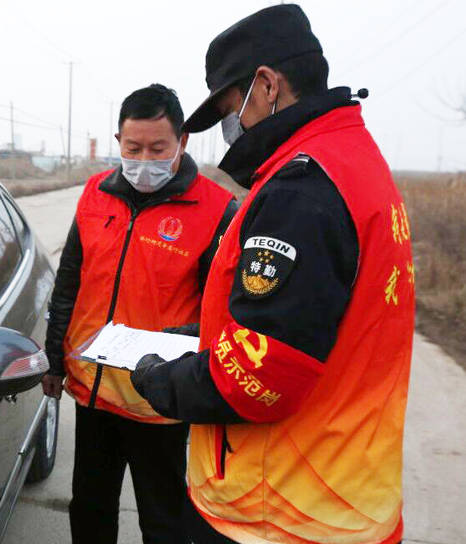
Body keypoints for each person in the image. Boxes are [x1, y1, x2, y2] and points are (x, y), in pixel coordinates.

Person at [130, 5, 414, 544]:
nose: (232, 130)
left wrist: (161, 382)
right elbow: (312, 317)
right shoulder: (351, 159)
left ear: (266, 85)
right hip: (344, 492)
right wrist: (202, 335)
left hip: (277, 511)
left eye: (230, 111)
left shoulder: (299, 191)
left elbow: (260, 378)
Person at [43, 83, 238, 544]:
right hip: (94, 392)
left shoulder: (217, 210)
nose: (144, 160)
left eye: (157, 148)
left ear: (182, 142)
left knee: (163, 519)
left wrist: (176, 357)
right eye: (133, 149)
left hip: (162, 398)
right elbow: (69, 282)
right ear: (119, 142)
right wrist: (54, 360)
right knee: (90, 508)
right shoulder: (94, 195)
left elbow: (224, 314)